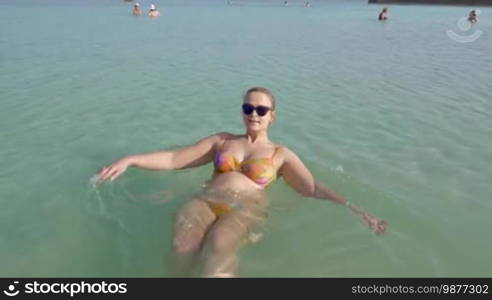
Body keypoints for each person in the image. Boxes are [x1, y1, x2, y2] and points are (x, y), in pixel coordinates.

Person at [96, 87, 388, 277]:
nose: (254, 114)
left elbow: (311, 188)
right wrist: (131, 159)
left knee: (220, 244)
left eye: (261, 110)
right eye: (248, 108)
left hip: (245, 208)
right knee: (182, 246)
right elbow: (175, 159)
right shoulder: (222, 141)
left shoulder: (280, 155)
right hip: (205, 201)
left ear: (272, 116)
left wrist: (355, 208)